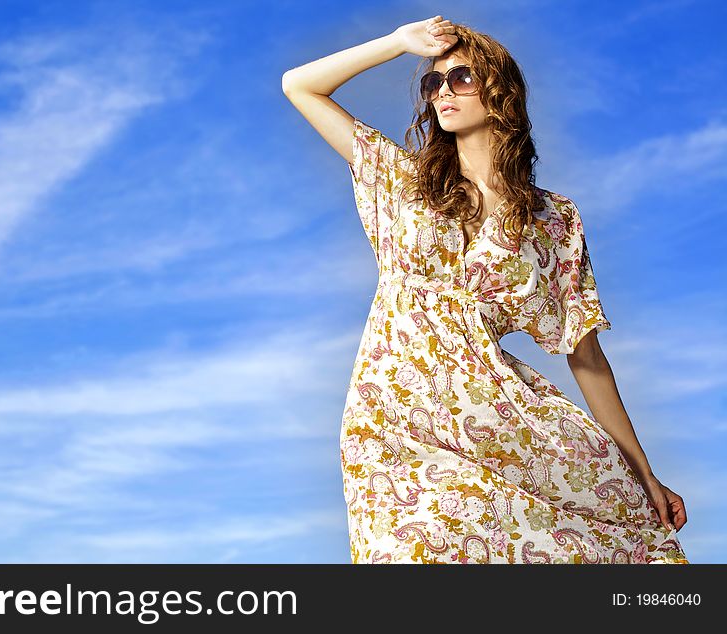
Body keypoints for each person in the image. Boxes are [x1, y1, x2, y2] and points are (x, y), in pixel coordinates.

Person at [282, 15, 689, 563]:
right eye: (433, 82)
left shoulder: (554, 220)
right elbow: (300, 85)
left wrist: (645, 474)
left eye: (461, 78)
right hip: (394, 428)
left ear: (501, 93)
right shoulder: (398, 181)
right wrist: (399, 43)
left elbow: (586, 356)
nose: (443, 91)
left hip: (506, 425)